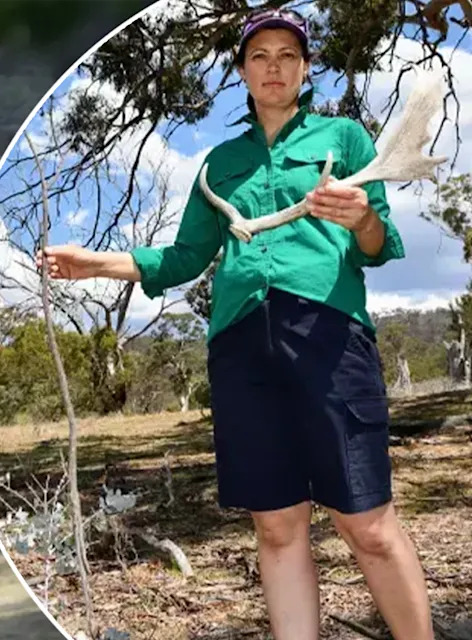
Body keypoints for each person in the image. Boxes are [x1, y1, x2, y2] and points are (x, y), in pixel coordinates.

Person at [37, 7, 434, 640]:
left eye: (286, 56)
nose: (273, 67)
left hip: (331, 338)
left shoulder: (346, 140)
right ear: (242, 70)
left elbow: (376, 246)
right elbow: (187, 257)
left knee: (368, 523)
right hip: (240, 347)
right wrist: (97, 265)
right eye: (259, 56)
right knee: (277, 527)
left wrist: (360, 217)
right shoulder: (217, 163)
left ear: (305, 68)